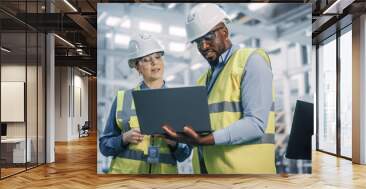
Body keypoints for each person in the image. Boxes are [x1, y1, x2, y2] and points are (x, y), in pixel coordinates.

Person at [163, 3, 276, 174]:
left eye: (208, 37)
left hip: (246, 180)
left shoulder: (251, 61)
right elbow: (199, 133)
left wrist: (206, 140)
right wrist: (178, 139)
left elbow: (256, 124)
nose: (203, 46)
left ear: (224, 32)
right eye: (198, 41)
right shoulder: (202, 81)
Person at [99, 33, 191, 174]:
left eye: (157, 57)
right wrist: (124, 138)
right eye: (147, 60)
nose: (154, 63)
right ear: (137, 67)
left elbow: (184, 154)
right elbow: (104, 147)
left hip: (162, 188)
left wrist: (174, 143)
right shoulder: (123, 99)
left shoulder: (178, 101)